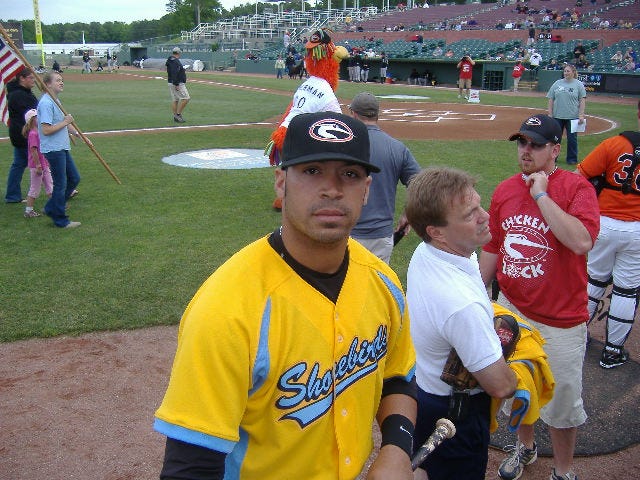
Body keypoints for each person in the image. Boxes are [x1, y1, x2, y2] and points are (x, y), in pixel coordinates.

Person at [154, 111, 418, 480]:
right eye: (312, 171)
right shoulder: (227, 309)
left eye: (350, 174)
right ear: (281, 184)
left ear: (367, 191)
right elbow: (191, 467)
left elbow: (398, 375)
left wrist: (396, 450)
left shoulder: (382, 281)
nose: (333, 188)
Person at [479, 114, 600, 480]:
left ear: (555, 150)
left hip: (561, 320)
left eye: (536, 144)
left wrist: (542, 195)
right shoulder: (504, 190)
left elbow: (581, 241)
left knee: (562, 405)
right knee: (518, 390)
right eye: (522, 143)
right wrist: (474, 296)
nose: (527, 150)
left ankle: (563, 471)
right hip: (514, 311)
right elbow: (493, 249)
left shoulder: (577, 189)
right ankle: (526, 448)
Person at [405, 167, 517, 480]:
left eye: (480, 205)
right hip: (455, 414)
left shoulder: (427, 251)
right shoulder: (461, 305)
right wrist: (523, 371)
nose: (485, 215)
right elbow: (501, 385)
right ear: (437, 231)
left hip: (425, 392)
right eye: (470, 214)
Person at [577, 129, 640, 368]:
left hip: (604, 224)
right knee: (626, 290)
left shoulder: (615, 143)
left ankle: (578, 338)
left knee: (593, 281)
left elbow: (580, 176)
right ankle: (613, 352)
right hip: (637, 230)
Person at [348, 92, 421, 263]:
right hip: (381, 236)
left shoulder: (343, 145)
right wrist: (408, 214)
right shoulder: (397, 147)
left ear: (354, 114)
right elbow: (422, 186)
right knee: (377, 287)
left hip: (345, 232)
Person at [37, 71, 83, 229]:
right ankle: (60, 220)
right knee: (61, 184)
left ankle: (51, 207)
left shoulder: (55, 100)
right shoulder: (46, 103)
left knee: (74, 178)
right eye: (57, 80)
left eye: (62, 80)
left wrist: (77, 133)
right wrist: (65, 122)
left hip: (62, 147)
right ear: (48, 84)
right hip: (53, 149)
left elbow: (64, 122)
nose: (61, 82)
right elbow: (46, 130)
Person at [5, 68, 38, 203]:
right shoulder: (19, 95)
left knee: (18, 164)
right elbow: (32, 114)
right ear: (22, 79)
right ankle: (56, 189)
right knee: (42, 162)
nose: (33, 80)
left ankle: (12, 195)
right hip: (24, 136)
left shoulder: (21, 93)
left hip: (21, 134)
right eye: (30, 78)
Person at [547, 63, 586, 165]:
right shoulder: (557, 83)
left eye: (568, 71)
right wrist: (550, 113)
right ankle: (553, 158)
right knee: (555, 139)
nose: (566, 73)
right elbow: (551, 98)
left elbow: (582, 100)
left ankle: (572, 159)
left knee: (572, 139)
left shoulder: (578, 84)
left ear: (573, 72)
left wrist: (581, 115)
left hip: (572, 117)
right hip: (557, 116)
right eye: (565, 71)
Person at [22, 109, 53, 218]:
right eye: (36, 116)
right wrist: (38, 165)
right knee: (35, 188)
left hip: (44, 164)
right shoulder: (33, 134)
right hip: (37, 166)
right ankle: (28, 211)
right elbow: (33, 150)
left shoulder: (39, 132)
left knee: (50, 184)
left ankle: (55, 205)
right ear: (31, 120)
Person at [166, 47, 190, 123]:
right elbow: (174, 73)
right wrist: (176, 84)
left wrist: (182, 69)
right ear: (179, 53)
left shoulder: (170, 60)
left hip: (171, 82)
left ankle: (175, 117)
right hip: (177, 83)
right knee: (186, 98)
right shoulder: (175, 61)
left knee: (175, 100)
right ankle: (178, 115)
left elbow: (174, 71)